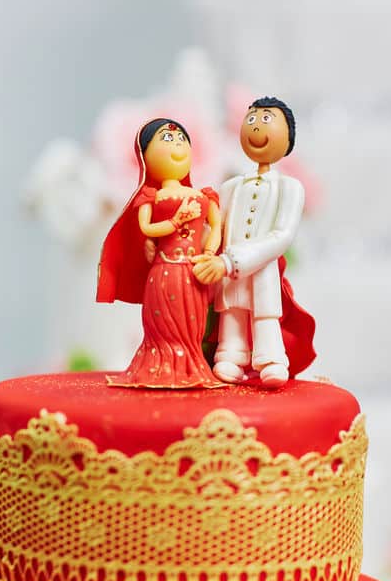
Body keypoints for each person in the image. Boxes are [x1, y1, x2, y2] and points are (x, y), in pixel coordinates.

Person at [192, 97, 316, 388]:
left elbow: (281, 236)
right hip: (226, 275)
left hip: (259, 271)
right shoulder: (231, 187)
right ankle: (230, 357)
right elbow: (216, 227)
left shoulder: (289, 187)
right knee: (231, 315)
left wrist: (230, 261)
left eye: (266, 120)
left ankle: (271, 360)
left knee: (264, 316)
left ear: (288, 137)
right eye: (251, 120)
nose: (256, 128)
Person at [96, 118, 224, 388]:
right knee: (164, 324)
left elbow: (216, 226)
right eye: (167, 140)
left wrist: (210, 251)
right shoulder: (150, 198)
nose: (177, 145)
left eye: (181, 140)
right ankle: (163, 364)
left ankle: (191, 362)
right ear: (145, 156)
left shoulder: (204, 195)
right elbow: (146, 227)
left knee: (193, 324)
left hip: (194, 272)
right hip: (164, 271)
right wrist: (176, 221)